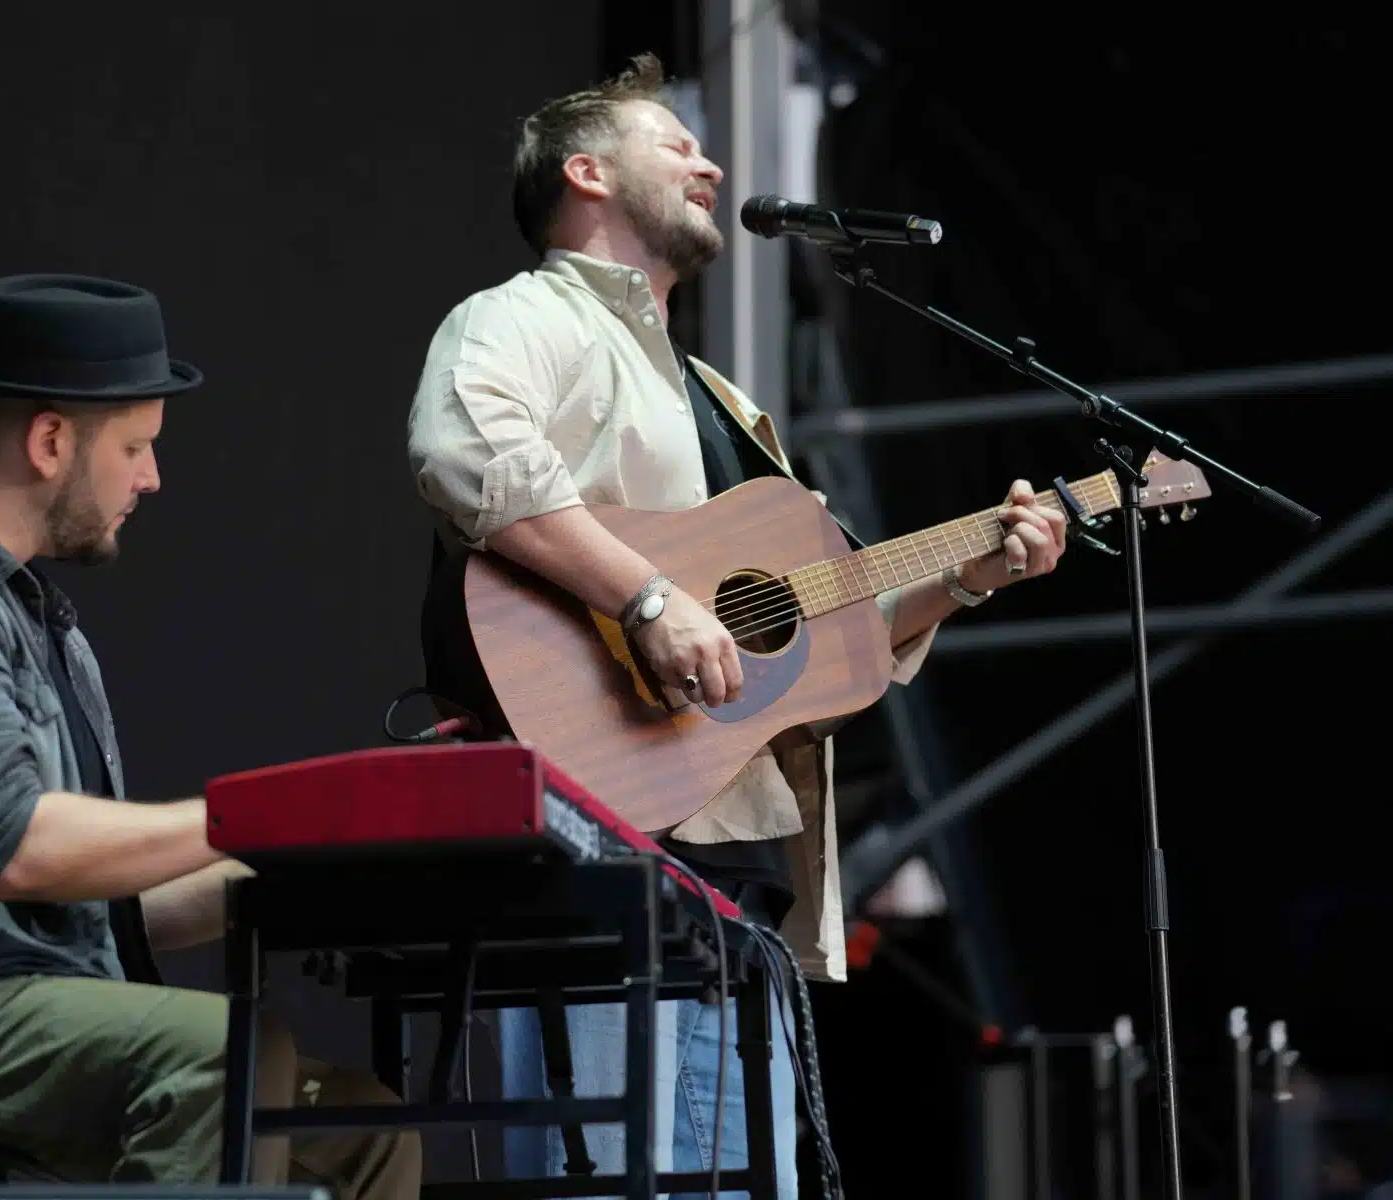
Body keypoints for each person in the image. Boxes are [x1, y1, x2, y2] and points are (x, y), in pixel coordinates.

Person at [404, 55, 1067, 1196]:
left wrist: (972, 576)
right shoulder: (522, 318)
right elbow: (464, 451)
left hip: (732, 888)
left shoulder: (722, 397)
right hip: (590, 851)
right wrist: (645, 597)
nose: (711, 163)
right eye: (676, 143)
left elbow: (824, 620)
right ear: (587, 172)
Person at [0, 273, 421, 1194]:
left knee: (361, 1128)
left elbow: (104, 903)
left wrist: (342, 854)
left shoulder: (39, 622)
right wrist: (268, 815)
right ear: (51, 441)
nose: (152, 476)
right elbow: (19, 849)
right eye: (136, 445)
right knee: (223, 1055)